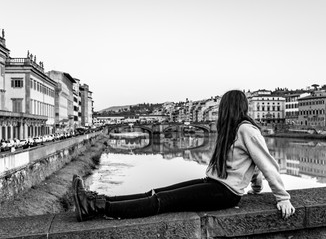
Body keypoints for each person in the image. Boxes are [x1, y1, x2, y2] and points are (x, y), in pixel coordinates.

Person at [73, 90, 295, 222]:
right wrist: (256, 188)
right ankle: (94, 200)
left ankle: (97, 208)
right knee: (155, 192)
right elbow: (252, 165)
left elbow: (266, 164)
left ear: (228, 108)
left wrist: (282, 197)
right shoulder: (232, 129)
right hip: (214, 185)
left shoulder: (247, 129)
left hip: (224, 193)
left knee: (161, 201)